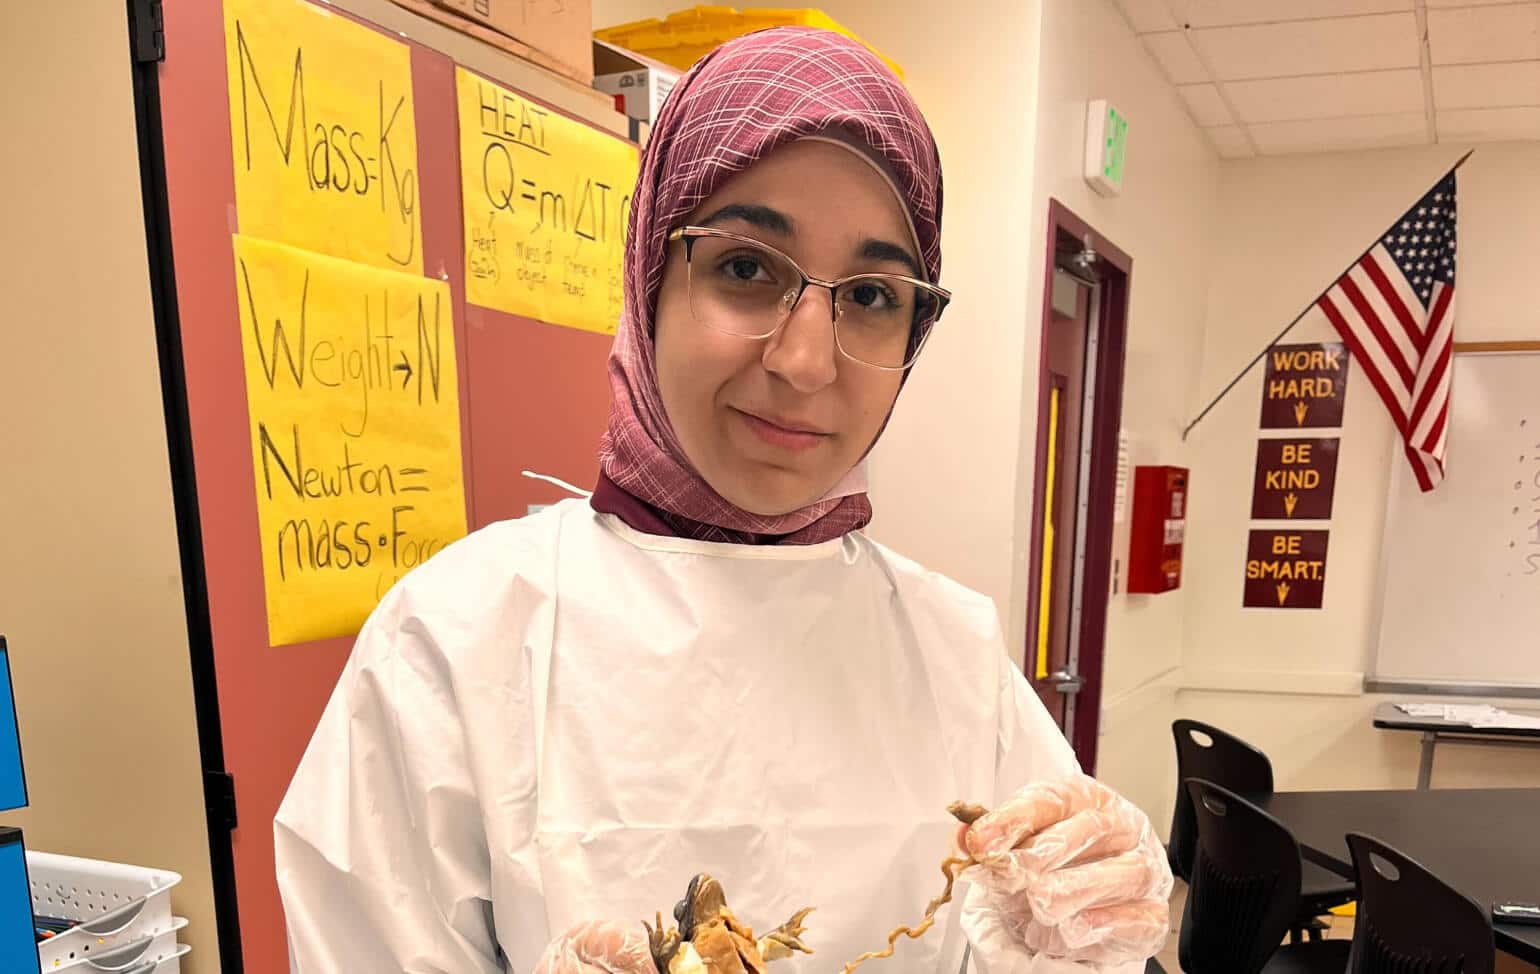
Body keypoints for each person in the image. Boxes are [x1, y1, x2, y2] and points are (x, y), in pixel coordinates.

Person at [275, 26, 1171, 974]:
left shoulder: (955, 653)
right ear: (650, 272)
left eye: (870, 294)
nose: (804, 361)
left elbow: (1044, 942)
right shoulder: (452, 644)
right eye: (747, 268)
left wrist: (1071, 944)